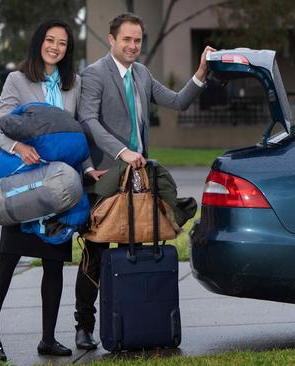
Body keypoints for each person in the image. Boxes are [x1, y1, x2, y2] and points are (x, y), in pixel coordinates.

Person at [74, 12, 215, 350]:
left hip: (137, 180)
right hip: (105, 177)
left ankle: (127, 322)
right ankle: (84, 325)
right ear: (112, 39)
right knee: (94, 252)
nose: (133, 46)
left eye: (137, 40)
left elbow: (178, 102)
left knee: (131, 252)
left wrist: (200, 73)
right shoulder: (94, 75)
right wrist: (121, 151)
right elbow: (88, 120)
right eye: (127, 39)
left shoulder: (142, 74)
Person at [0, 19, 88, 361]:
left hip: (58, 186)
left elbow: (76, 133)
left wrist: (87, 169)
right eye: (49, 40)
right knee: (9, 257)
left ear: (68, 49)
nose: (55, 47)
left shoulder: (75, 84)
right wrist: (18, 148)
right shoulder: (18, 79)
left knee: (54, 261)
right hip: (24, 183)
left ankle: (47, 338)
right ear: (39, 42)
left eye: (62, 43)